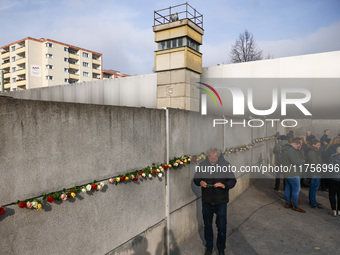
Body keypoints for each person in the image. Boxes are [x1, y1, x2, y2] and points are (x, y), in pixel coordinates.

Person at [193, 148, 237, 255]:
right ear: (208, 156)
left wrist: (224, 185)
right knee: (207, 225)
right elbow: (196, 179)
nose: (212, 160)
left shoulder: (225, 165)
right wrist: (201, 182)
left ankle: (221, 248)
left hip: (221, 201)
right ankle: (209, 246)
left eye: (214, 158)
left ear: (218, 156)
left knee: (221, 226)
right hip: (207, 201)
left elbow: (232, 180)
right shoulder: (202, 165)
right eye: (210, 158)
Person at [281, 139, 306, 213]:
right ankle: (295, 206)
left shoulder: (285, 148)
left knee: (288, 188)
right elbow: (295, 161)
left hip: (287, 172)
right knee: (296, 189)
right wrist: (302, 161)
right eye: (298, 146)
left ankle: (288, 203)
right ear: (295, 144)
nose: (298, 148)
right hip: (293, 173)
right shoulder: (291, 150)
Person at [306, 140, 323, 208]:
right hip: (314, 171)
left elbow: (319, 161)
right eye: (318, 145)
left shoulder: (315, 151)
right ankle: (313, 202)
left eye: (319, 145)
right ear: (313, 145)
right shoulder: (311, 152)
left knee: (315, 187)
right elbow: (314, 162)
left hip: (317, 171)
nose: (319, 146)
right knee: (313, 187)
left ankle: (314, 201)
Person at [328, 147, 340, 217]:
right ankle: (339, 210)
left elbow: (330, 168)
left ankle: (334, 211)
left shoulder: (333, 158)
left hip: (334, 178)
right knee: (339, 195)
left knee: (332, 194)